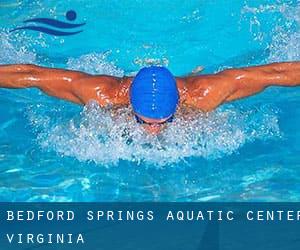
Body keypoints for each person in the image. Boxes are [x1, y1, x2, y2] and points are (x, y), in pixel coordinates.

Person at [0, 62, 299, 134]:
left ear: (177, 107)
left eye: (163, 122)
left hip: (191, 84)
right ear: (130, 105)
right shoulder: (101, 93)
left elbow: (273, 74)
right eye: (143, 121)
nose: (153, 132)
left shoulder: (204, 94)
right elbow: (31, 75)